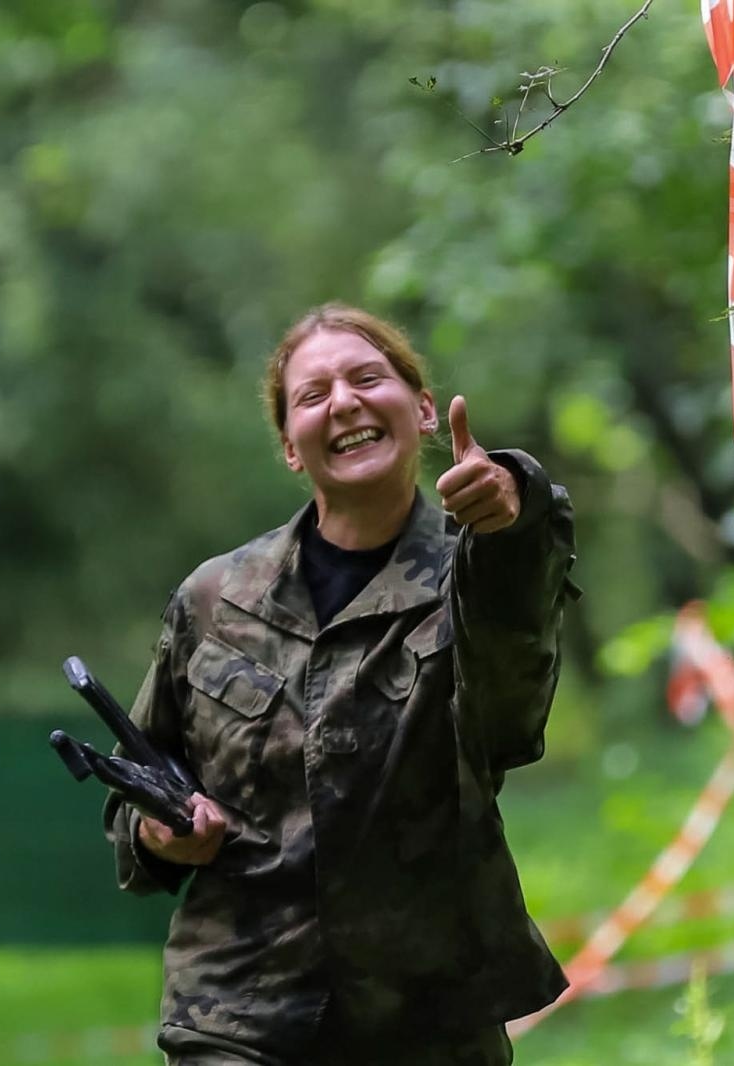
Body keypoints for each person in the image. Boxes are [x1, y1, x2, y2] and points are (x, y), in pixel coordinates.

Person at [103, 303, 578, 1065]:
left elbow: (512, 704)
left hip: (428, 1024)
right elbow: (139, 784)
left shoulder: (480, 575)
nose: (346, 404)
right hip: (238, 1018)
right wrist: (159, 832)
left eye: (367, 378)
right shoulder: (214, 599)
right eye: (313, 395)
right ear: (291, 445)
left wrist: (513, 519)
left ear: (423, 409)